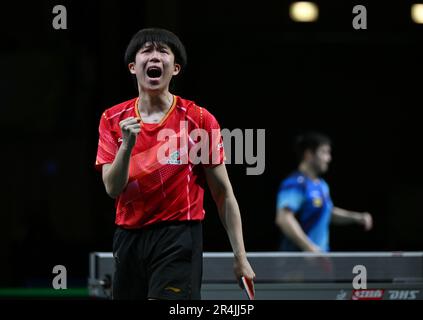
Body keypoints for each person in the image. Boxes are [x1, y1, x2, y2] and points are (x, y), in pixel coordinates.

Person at [95, 28, 255, 299]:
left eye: (163, 52)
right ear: (133, 67)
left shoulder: (199, 119)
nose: (154, 57)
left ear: (176, 68)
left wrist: (240, 256)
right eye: (146, 51)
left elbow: (223, 193)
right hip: (128, 238)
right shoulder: (113, 119)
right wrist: (127, 145)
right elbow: (112, 188)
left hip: (179, 236)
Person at [275, 132, 373, 252]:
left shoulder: (321, 185)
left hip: (320, 258)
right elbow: (284, 218)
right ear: (309, 154)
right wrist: (311, 249)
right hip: (297, 261)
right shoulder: (295, 183)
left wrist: (356, 217)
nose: (328, 158)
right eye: (324, 152)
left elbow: (327, 212)